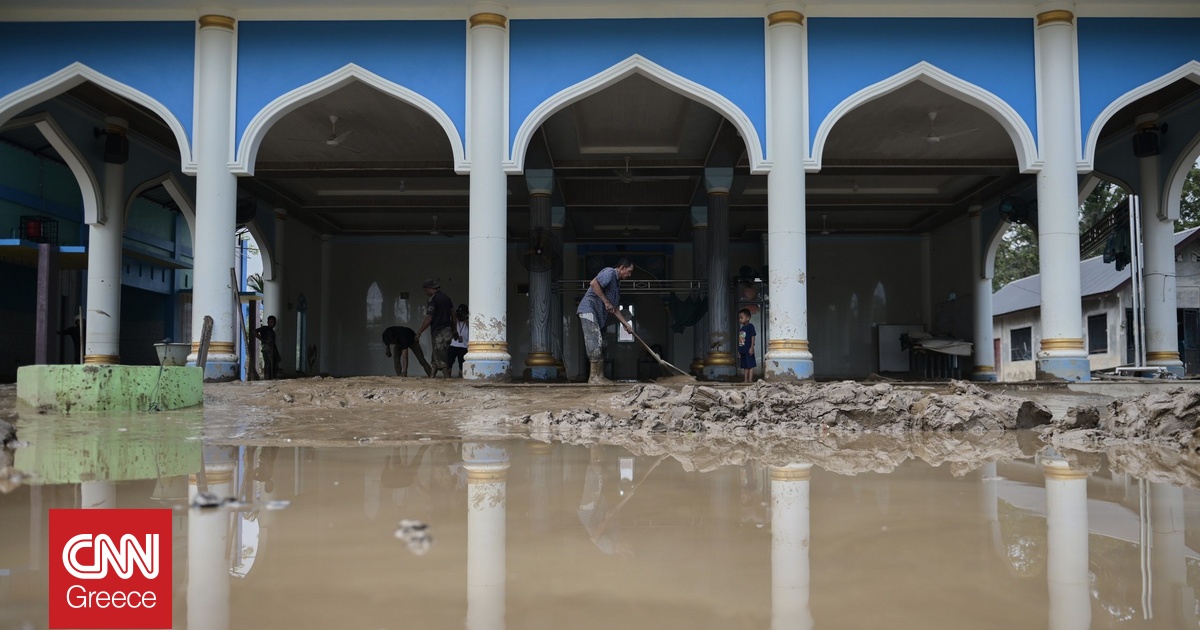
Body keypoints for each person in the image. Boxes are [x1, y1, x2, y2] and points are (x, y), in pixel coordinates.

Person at [576, 258, 635, 384]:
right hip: (588, 310)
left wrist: (625, 324)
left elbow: (614, 309)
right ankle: (593, 378)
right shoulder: (609, 272)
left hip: (598, 316)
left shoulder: (616, 285)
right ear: (622, 268)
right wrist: (606, 301)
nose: (629, 275)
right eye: (629, 271)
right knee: (594, 341)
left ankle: (600, 376)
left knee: (603, 344)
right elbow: (594, 283)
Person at [416, 279, 458, 378]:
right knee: (436, 355)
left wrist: (419, 332)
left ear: (429, 289)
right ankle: (431, 378)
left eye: (425, 291)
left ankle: (447, 379)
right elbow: (453, 314)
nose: (426, 293)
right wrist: (454, 329)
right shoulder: (447, 298)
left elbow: (429, 318)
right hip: (447, 331)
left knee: (441, 356)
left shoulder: (433, 299)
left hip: (439, 331)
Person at [254, 315, 281, 379]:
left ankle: (272, 377)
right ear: (268, 322)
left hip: (273, 348)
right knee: (268, 364)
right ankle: (267, 378)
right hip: (267, 349)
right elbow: (254, 332)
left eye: (273, 322)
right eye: (271, 322)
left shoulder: (272, 331)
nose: (272, 324)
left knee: (275, 363)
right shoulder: (264, 328)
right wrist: (262, 339)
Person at [449, 304, 469, 377]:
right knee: (449, 363)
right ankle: (448, 379)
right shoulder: (454, 322)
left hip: (464, 346)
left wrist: (468, 322)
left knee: (462, 365)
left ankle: (460, 379)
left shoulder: (468, 323)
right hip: (453, 345)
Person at [737, 308, 756, 383]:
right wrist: (739, 350)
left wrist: (752, 347)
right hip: (743, 350)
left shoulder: (750, 326)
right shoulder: (742, 328)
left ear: (748, 318)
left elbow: (753, 336)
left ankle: (750, 379)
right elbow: (740, 340)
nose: (740, 319)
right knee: (745, 366)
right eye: (739, 318)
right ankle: (745, 380)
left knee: (750, 365)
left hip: (748, 349)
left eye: (741, 318)